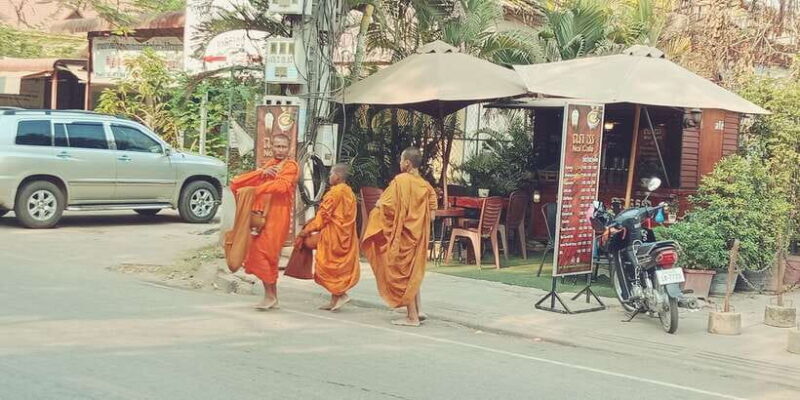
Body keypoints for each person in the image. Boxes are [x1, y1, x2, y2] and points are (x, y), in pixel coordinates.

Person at [362, 147, 438, 326]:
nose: (399, 164)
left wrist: (379, 209)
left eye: (401, 161)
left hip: (403, 236)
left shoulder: (400, 181)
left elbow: (385, 205)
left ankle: (411, 317)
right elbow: (433, 215)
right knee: (412, 272)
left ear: (407, 163)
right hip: (418, 237)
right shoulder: (426, 186)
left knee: (403, 274)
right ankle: (418, 311)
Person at [229, 134, 298, 310]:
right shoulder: (269, 165)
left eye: (284, 147)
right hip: (262, 218)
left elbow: (282, 187)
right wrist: (261, 172)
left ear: (288, 148)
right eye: (277, 146)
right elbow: (236, 184)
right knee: (262, 255)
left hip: (278, 217)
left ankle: (270, 296)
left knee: (265, 254)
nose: (280, 150)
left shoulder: (291, 166)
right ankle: (271, 296)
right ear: (272, 147)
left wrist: (256, 190)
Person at [296, 164, 360, 311]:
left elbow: (322, 219)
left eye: (331, 174)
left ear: (337, 177)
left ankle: (340, 295)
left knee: (326, 267)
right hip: (346, 236)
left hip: (333, 236)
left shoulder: (334, 193)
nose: (329, 176)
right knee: (337, 269)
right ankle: (335, 299)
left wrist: (306, 231)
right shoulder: (349, 192)